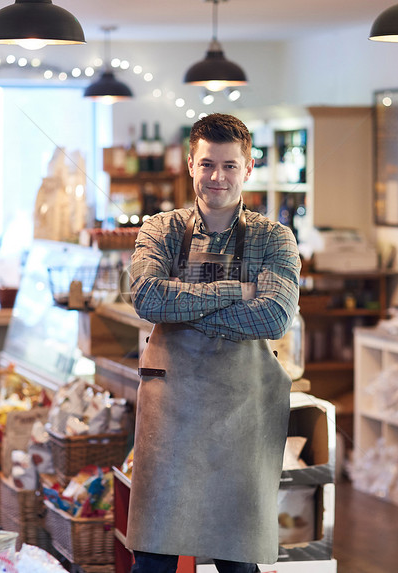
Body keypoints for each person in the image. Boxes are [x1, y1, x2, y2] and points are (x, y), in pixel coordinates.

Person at [126, 113, 301, 573]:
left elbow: (275, 314)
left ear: (247, 169)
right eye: (207, 164)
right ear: (190, 165)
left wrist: (185, 306)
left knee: (237, 560)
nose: (217, 176)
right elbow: (147, 297)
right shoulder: (161, 230)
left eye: (228, 165)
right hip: (171, 413)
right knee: (154, 559)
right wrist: (236, 292)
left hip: (242, 410)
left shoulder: (274, 238)